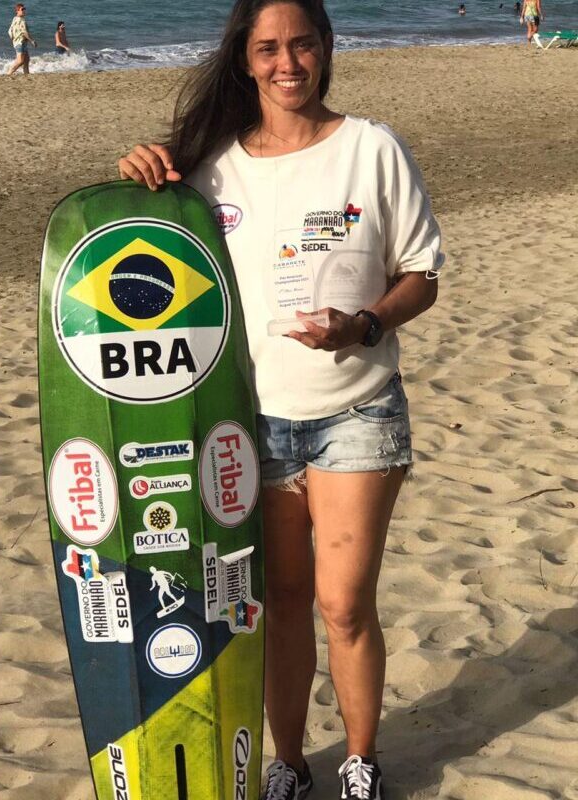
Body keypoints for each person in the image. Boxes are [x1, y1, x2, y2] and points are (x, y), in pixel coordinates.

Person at [119, 1, 442, 798]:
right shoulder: (209, 169)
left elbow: (421, 274)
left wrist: (365, 324)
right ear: (245, 58)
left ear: (326, 47)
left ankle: (361, 761)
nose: (287, 63)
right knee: (282, 601)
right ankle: (290, 764)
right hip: (248, 421)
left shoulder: (371, 147)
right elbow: (144, 259)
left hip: (358, 409)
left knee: (345, 603)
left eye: (302, 44)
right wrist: (141, 172)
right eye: (268, 48)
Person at [7, 3, 36, 75]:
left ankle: (26, 74)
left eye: (24, 9)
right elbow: (24, 32)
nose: (24, 11)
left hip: (20, 42)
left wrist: (13, 39)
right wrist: (32, 41)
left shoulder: (14, 18)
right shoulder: (22, 20)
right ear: (17, 11)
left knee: (26, 60)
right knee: (20, 61)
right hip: (20, 42)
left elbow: (9, 31)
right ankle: (9, 73)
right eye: (22, 9)